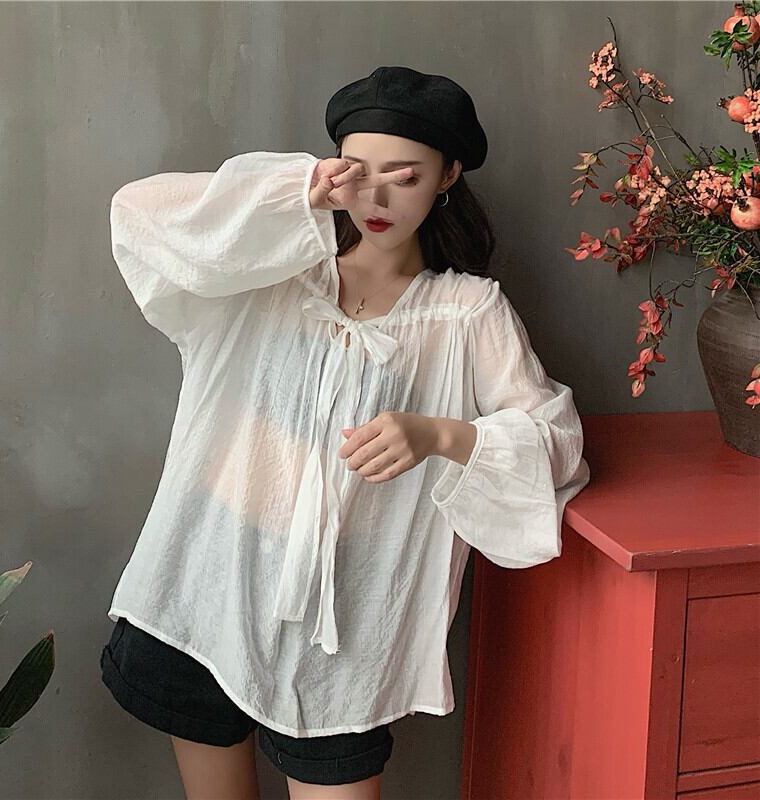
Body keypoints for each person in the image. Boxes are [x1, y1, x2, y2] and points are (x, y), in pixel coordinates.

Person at [99, 66, 591, 800]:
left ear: (449, 175)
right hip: (212, 584)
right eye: (358, 172)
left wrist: (441, 435)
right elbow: (141, 218)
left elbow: (556, 447)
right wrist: (295, 192)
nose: (377, 199)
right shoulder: (272, 274)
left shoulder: (466, 313)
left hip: (347, 628)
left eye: (405, 176)